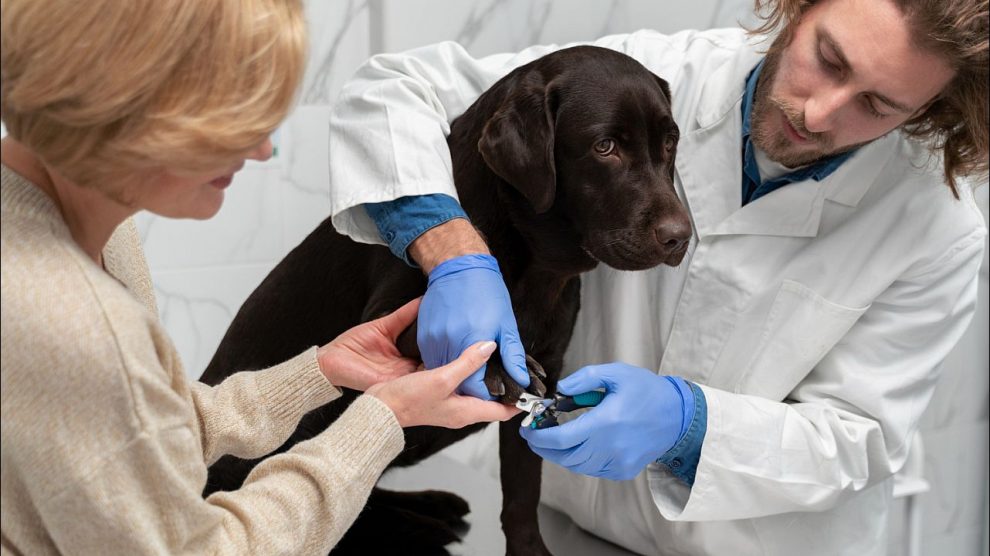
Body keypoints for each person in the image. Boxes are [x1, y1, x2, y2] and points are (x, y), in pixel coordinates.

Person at [324, 0, 988, 554]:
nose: (820, 113)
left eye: (876, 104)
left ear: (932, 107)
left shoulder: (938, 227)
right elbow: (391, 93)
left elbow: (857, 440)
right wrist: (451, 253)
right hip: (568, 524)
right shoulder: (657, 76)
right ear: (798, 8)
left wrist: (687, 424)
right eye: (828, 58)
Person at [0, 0, 519, 554]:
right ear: (123, 100)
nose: (262, 149)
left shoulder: (77, 230)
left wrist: (318, 373)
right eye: (232, 116)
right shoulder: (80, 323)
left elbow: (117, 443)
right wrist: (380, 423)